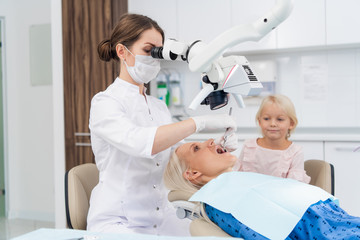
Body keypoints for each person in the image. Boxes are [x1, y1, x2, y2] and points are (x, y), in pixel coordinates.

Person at [86, 13, 238, 236]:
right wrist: (199, 122)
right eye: (148, 51)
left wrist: (215, 145)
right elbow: (140, 142)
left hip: (160, 215)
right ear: (122, 52)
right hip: (119, 221)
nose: (154, 58)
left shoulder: (158, 106)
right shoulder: (105, 102)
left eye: (158, 52)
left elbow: (177, 153)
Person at [164, 139, 360, 239]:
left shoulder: (237, 184)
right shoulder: (221, 203)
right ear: (193, 173)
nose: (211, 141)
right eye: (196, 148)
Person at [238, 94, 310, 183]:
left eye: (280, 119)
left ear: (291, 124)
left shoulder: (295, 152)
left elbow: (293, 187)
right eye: (266, 118)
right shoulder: (249, 146)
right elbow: (237, 178)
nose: (272, 124)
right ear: (259, 122)